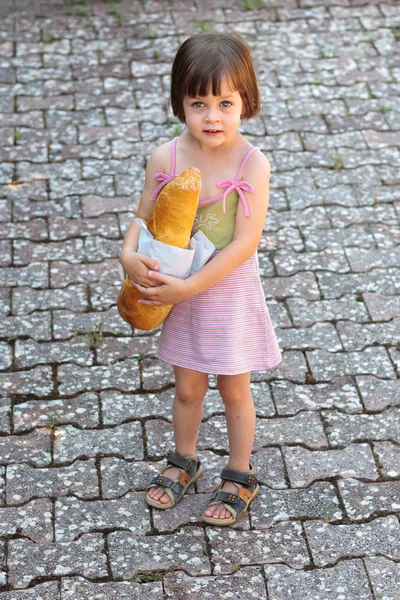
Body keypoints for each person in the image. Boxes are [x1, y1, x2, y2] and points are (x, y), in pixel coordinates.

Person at [119, 32, 282, 526]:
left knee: (234, 388)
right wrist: (128, 252)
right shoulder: (165, 158)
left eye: (225, 102)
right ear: (179, 104)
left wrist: (193, 286)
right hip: (176, 290)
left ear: (246, 102)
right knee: (188, 387)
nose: (212, 116)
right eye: (198, 102)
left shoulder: (252, 163)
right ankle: (184, 459)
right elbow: (144, 215)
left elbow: (244, 243)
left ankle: (238, 471)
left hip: (225, 292)